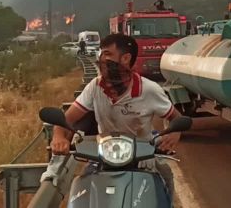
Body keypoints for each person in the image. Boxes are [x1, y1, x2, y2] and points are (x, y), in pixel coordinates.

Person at [51, 33, 182, 193]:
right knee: (83, 190)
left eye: (107, 54)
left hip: (141, 157)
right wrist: (58, 137)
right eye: (101, 53)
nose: (101, 59)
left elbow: (176, 118)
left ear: (125, 58)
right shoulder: (95, 86)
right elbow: (67, 120)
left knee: (165, 182)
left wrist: (175, 133)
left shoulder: (149, 89)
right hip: (103, 156)